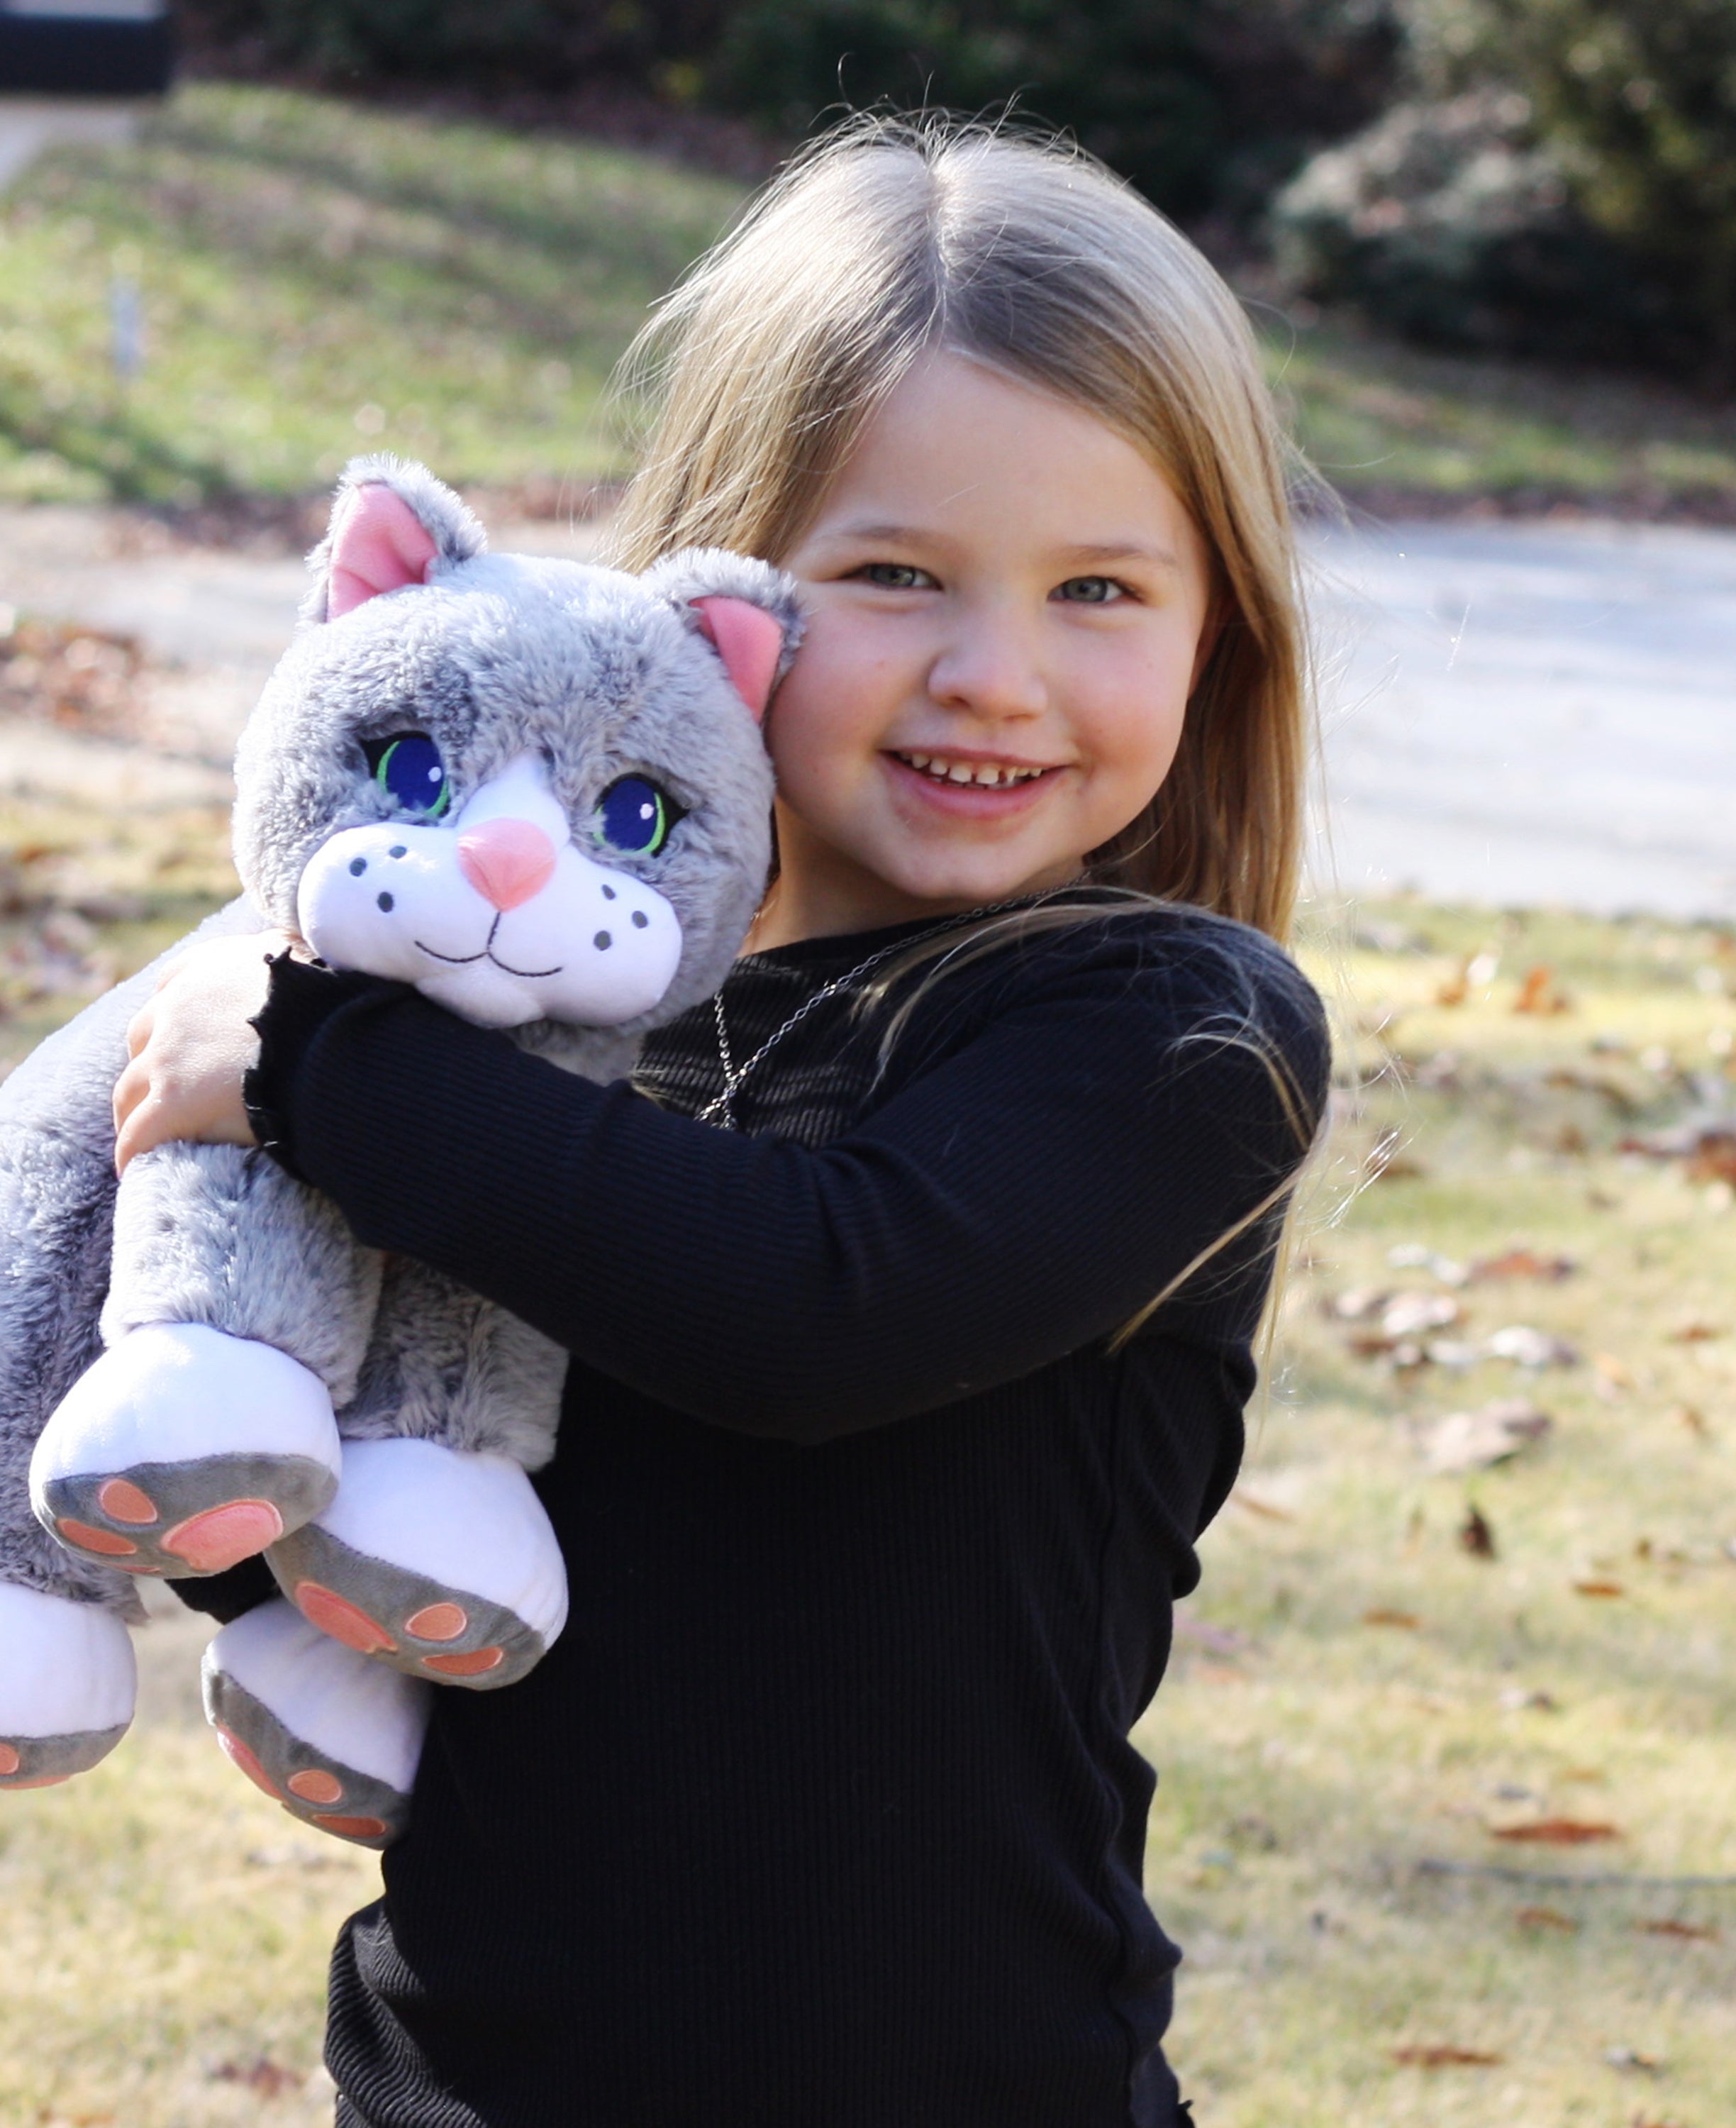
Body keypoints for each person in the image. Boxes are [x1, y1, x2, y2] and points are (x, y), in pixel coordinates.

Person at [113, 116, 1330, 2128]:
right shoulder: (524, 1049)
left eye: (1099, 587)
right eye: (897, 574)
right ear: (721, 607)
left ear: (1220, 639)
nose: (994, 673)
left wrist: (324, 1067)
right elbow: (308, 1507)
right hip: (471, 2079)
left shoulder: (1173, 1036)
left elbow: (808, 1310)